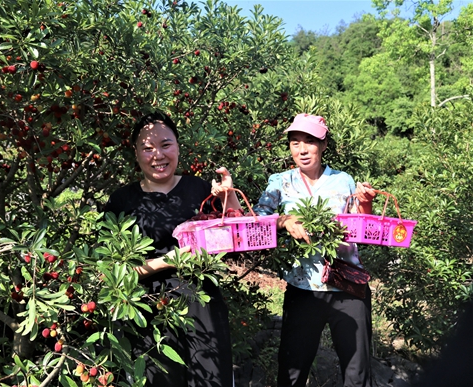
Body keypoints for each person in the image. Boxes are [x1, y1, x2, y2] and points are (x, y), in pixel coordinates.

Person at [104, 111, 240, 387]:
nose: (158, 155)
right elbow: (112, 274)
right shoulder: (122, 200)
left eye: (165, 145)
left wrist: (229, 196)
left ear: (178, 146)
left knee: (212, 379)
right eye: (148, 148)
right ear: (136, 153)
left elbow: (234, 237)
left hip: (203, 304)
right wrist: (166, 262)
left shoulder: (199, 188)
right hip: (149, 308)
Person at [253, 113, 376, 387]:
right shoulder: (280, 181)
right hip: (303, 287)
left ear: (323, 145)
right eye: (295, 142)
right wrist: (285, 220)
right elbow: (258, 219)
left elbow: (359, 225)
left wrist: (366, 203)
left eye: (309, 142)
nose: (302, 149)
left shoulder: (343, 180)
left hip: (347, 285)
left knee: (358, 373)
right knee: (292, 371)